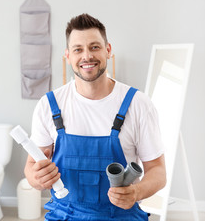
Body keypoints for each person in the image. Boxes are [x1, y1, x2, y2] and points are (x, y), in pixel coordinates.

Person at [24, 13, 166, 220]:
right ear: (68, 56)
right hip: (64, 215)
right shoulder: (49, 105)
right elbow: (31, 167)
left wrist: (136, 192)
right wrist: (36, 178)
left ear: (108, 50)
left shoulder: (138, 104)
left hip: (121, 215)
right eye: (78, 50)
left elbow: (158, 171)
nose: (87, 56)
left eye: (94, 47)